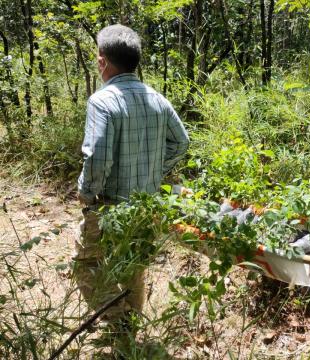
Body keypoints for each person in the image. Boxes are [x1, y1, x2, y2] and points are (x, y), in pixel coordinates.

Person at [74, 24, 189, 333]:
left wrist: (87, 193)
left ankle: (120, 321)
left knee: (86, 266)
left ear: (102, 61)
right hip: (146, 204)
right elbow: (182, 142)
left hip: (109, 206)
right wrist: (154, 169)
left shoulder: (102, 101)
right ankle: (130, 331)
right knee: (133, 268)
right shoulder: (157, 99)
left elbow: (97, 156)